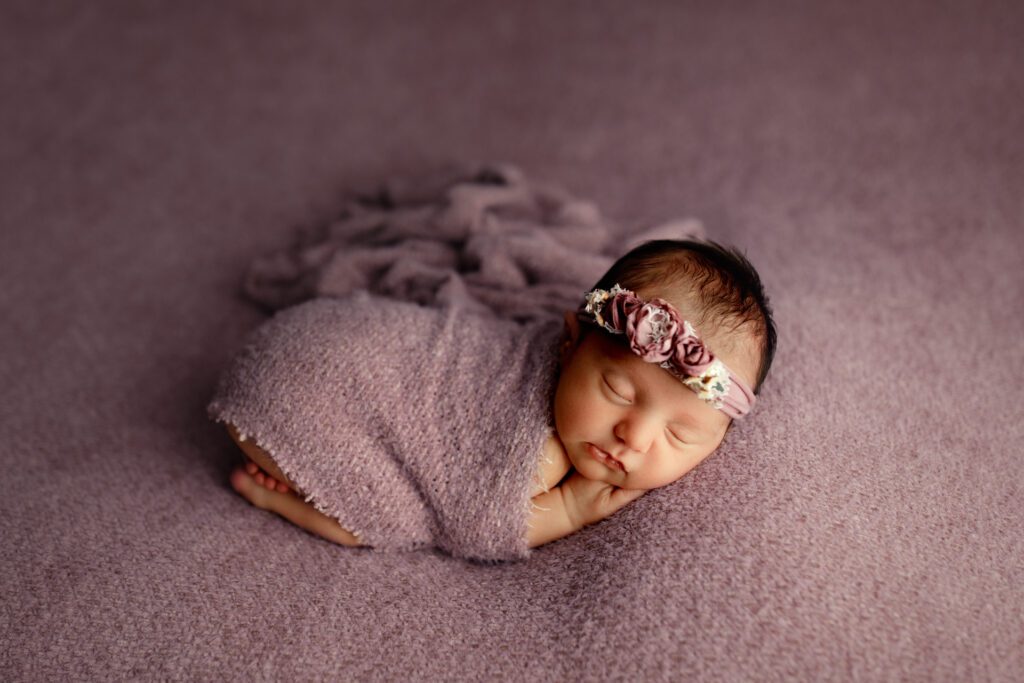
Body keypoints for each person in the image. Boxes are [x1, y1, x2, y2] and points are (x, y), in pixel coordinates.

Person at [220, 238, 776, 552]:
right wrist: (570, 507)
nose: (634, 434)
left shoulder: (589, 377)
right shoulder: (539, 452)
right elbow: (470, 526)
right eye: (616, 388)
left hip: (313, 333)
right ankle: (276, 495)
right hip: (287, 401)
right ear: (568, 342)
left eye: (680, 434)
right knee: (396, 523)